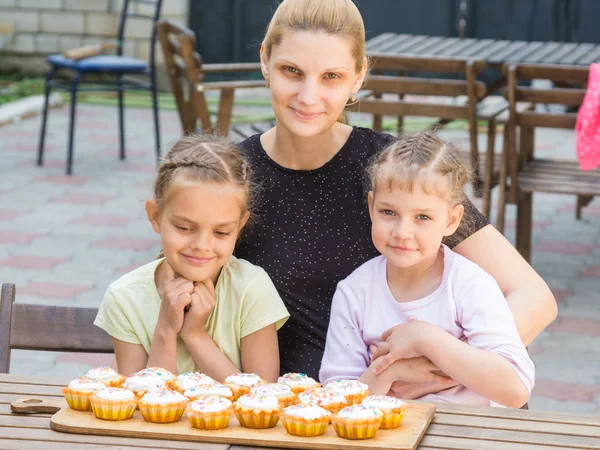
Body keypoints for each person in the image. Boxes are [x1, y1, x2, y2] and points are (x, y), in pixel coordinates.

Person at [170, 0, 556, 395]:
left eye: (331, 77)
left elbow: (534, 297)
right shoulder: (231, 177)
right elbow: (174, 285)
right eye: (292, 71)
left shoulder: (394, 171)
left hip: (409, 410)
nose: (308, 96)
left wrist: (436, 367)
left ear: (358, 77)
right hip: (292, 412)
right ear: (265, 60)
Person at [319, 131, 534, 408]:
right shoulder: (355, 292)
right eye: (388, 212)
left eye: (423, 217)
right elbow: (338, 401)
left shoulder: (470, 285)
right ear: (371, 206)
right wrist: (391, 371)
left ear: (451, 220)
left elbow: (515, 389)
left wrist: (426, 339)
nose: (402, 232)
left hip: (467, 435)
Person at [95, 134, 289, 381]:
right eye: (184, 228)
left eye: (221, 232)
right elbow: (140, 407)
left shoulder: (251, 289)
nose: (202, 245)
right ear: (155, 216)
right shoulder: (124, 298)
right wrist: (165, 329)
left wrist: (195, 335)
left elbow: (261, 402)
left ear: (240, 226)